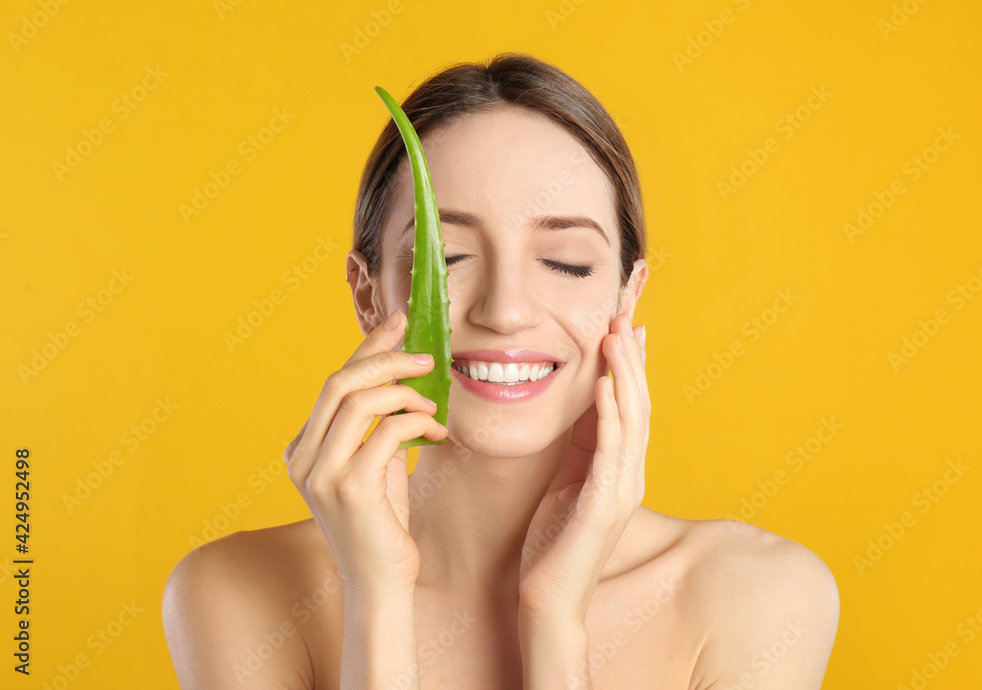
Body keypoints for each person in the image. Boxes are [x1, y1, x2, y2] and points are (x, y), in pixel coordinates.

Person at [162, 52, 839, 689]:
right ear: (368, 294)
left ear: (626, 296)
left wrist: (553, 619)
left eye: (568, 261)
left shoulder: (754, 594)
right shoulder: (235, 590)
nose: (506, 311)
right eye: (448, 258)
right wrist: (377, 596)